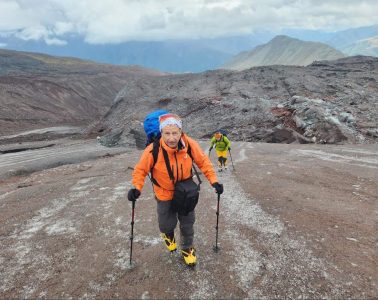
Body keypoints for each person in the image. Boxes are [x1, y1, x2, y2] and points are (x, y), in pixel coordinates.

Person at [127, 113, 223, 266]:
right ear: (161, 133)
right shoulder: (153, 150)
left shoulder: (189, 144)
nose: (171, 138)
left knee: (188, 223)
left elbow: (204, 162)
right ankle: (168, 236)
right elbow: (140, 170)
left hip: (186, 192)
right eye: (167, 133)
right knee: (166, 224)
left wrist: (214, 181)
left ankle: (187, 248)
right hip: (164, 193)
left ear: (181, 132)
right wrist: (136, 188)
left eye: (175, 133)